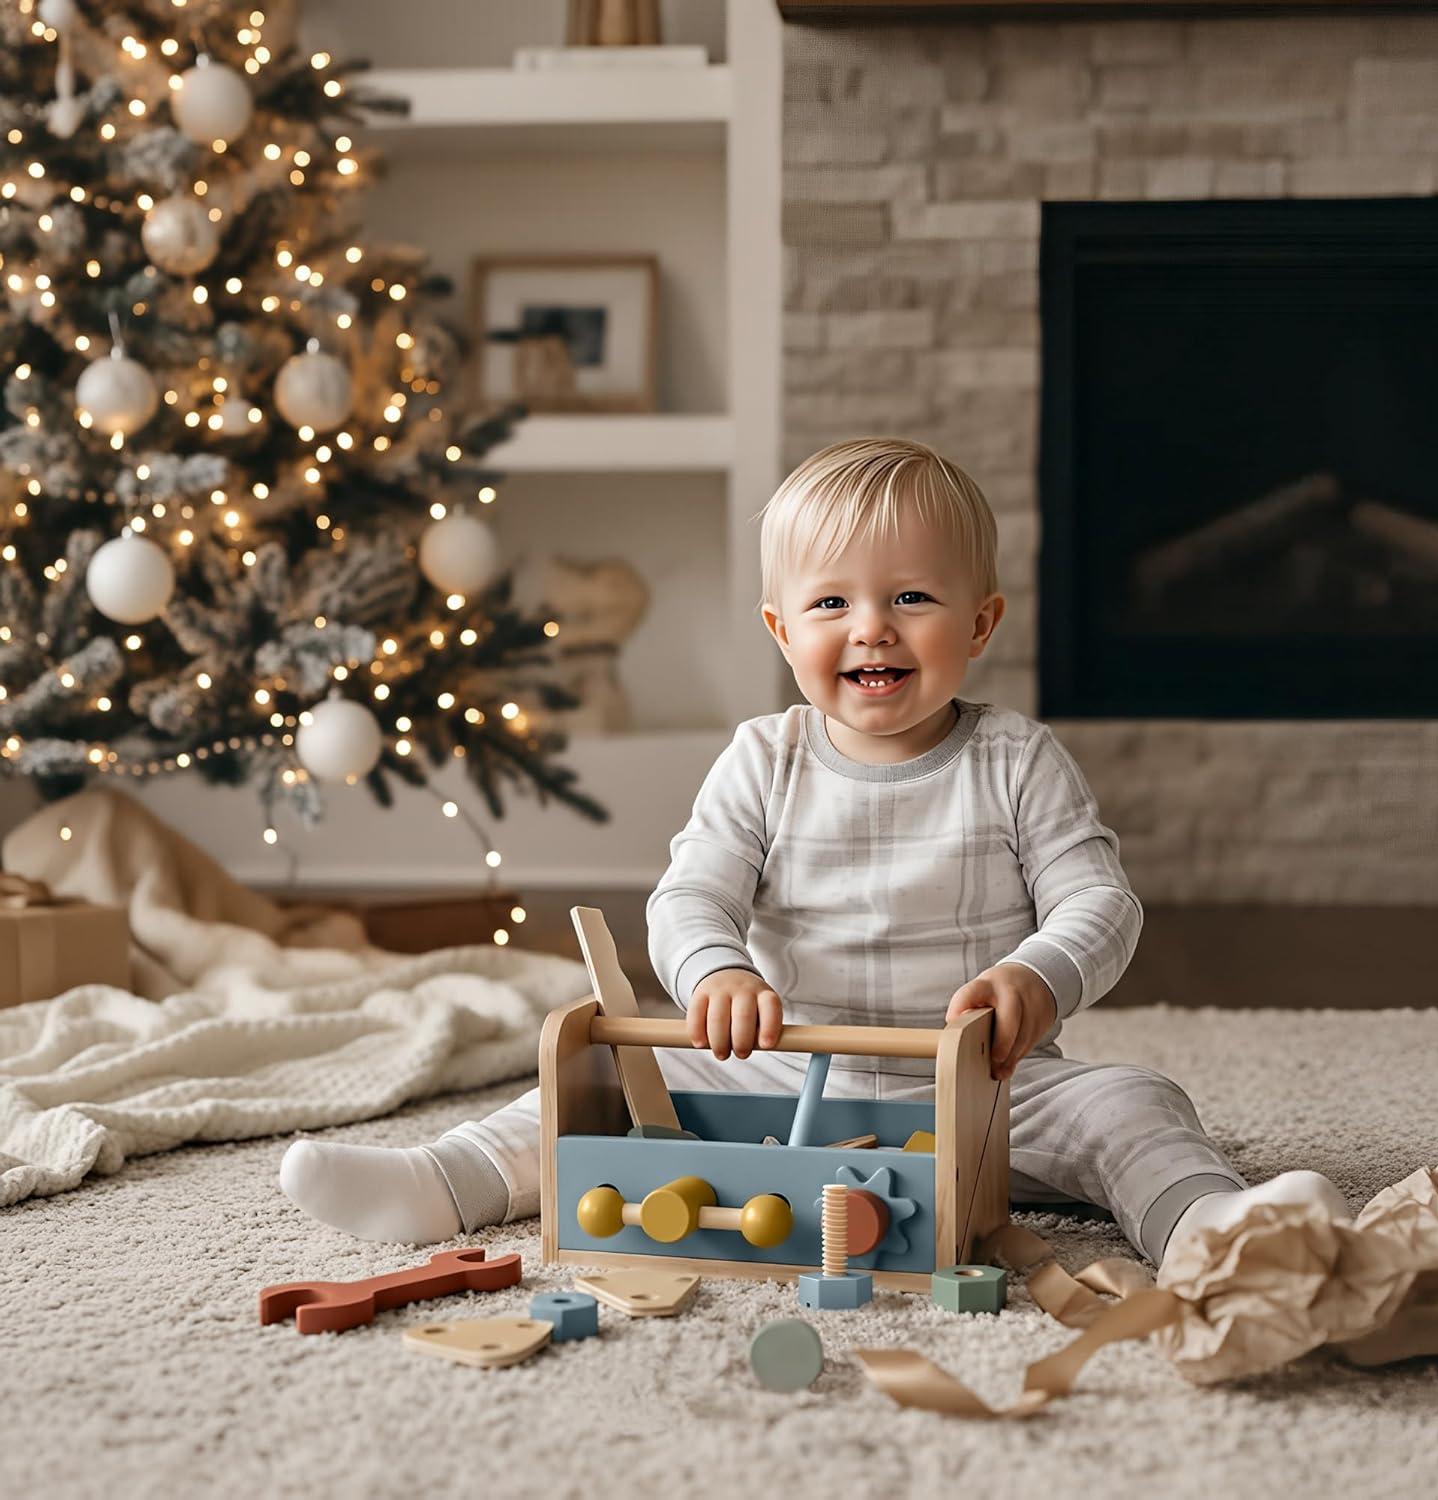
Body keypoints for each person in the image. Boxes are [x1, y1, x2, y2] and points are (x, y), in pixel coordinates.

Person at [280, 437, 1348, 1276]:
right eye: (832, 602)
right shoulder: (764, 757)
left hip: (980, 1094)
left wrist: (1037, 975)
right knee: (603, 1071)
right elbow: (689, 895)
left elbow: (1100, 905)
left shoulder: (1017, 759)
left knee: (1135, 1103)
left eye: (912, 599)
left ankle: (1213, 1229)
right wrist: (720, 974)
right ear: (781, 629)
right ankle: (443, 1184)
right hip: (780, 1073)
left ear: (980, 623)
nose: (871, 628)